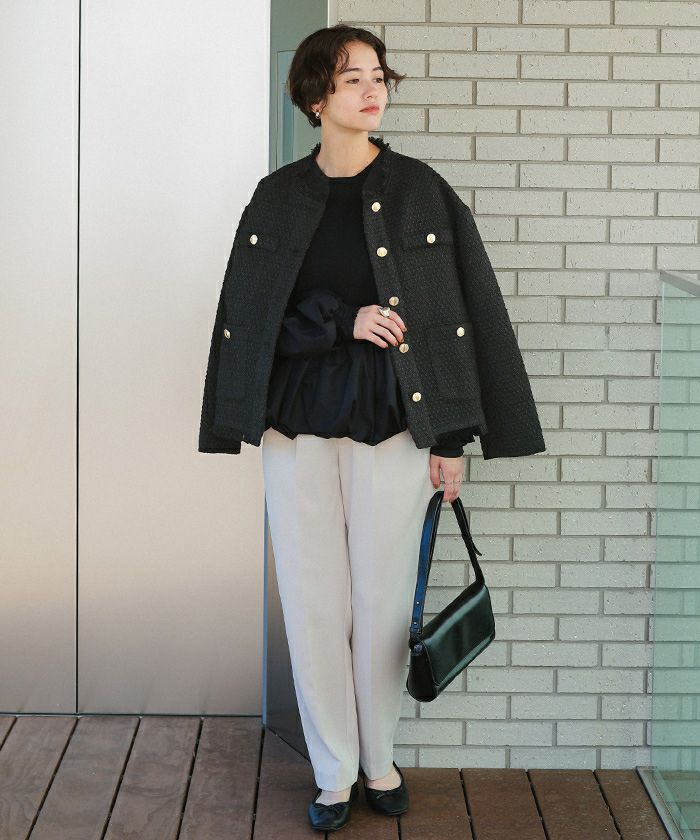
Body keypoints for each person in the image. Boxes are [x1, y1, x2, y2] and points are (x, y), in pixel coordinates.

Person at [199, 22, 546, 833]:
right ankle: (332, 773)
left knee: (384, 602)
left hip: (395, 424)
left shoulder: (421, 190)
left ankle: (378, 760)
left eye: (378, 76)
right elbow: (251, 321)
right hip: (297, 428)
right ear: (315, 96)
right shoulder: (276, 197)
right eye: (352, 77)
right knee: (313, 601)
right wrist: (341, 320)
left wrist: (453, 442)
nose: (371, 89)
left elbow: (461, 316)